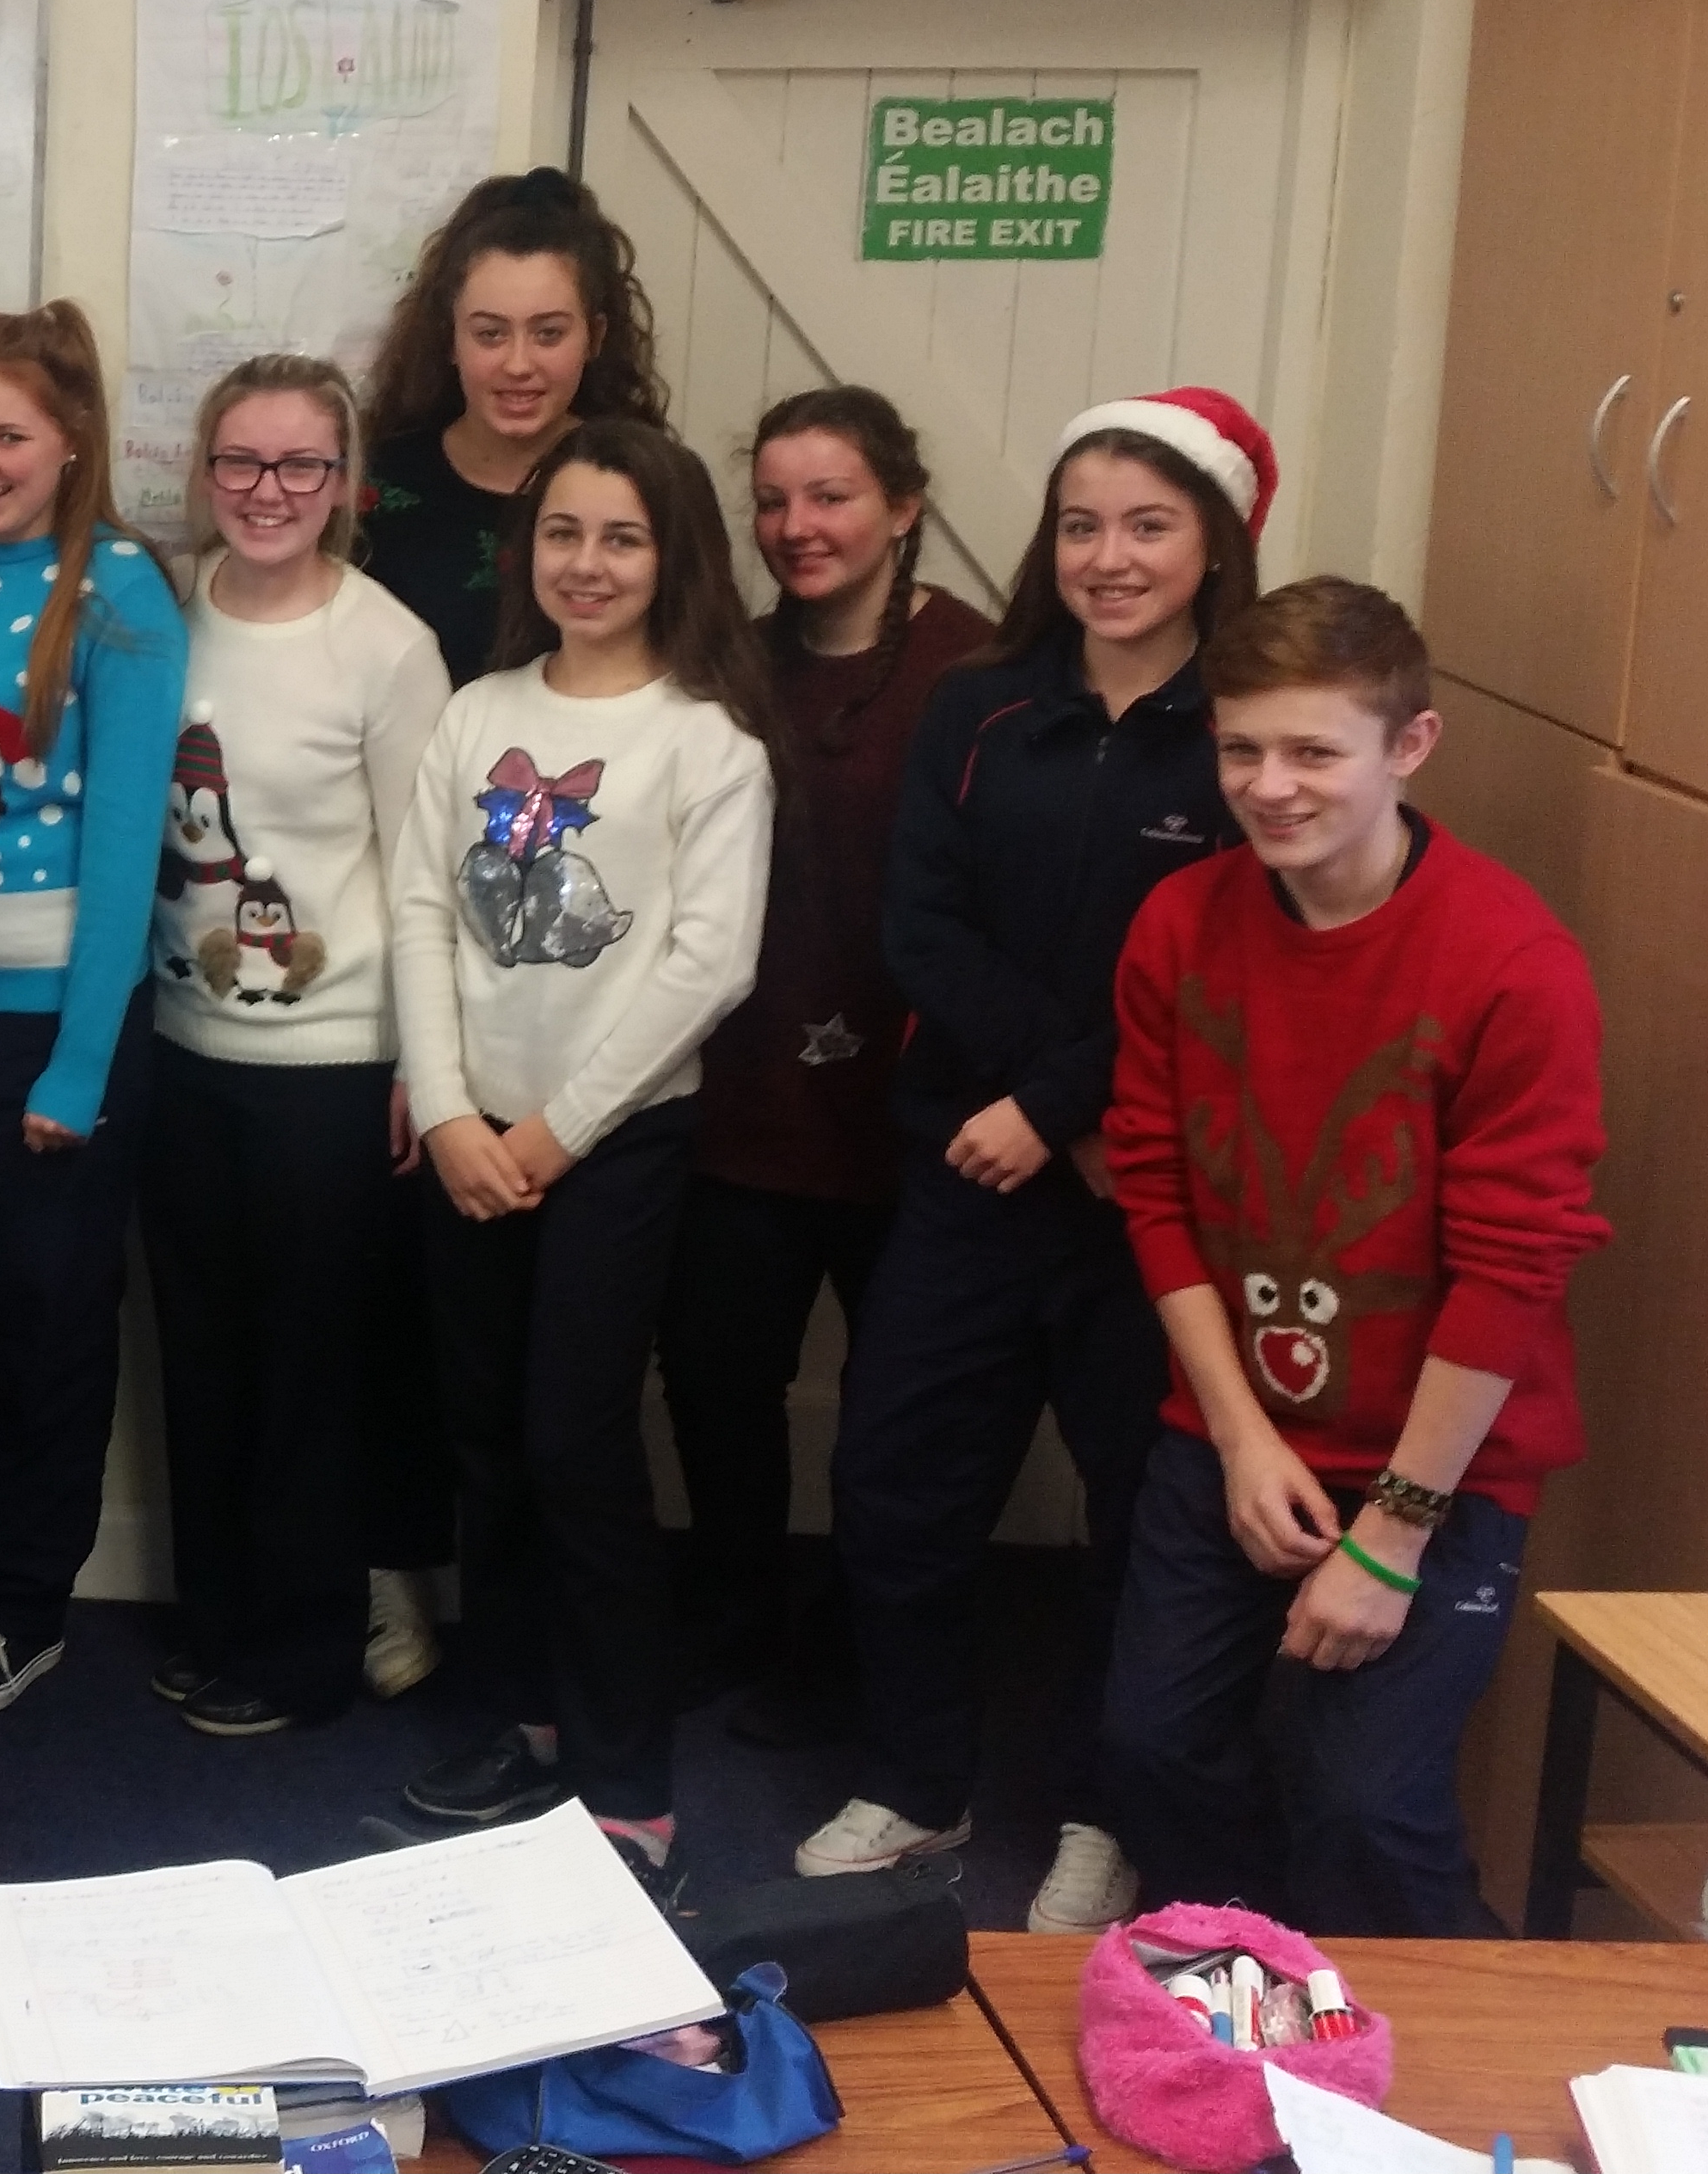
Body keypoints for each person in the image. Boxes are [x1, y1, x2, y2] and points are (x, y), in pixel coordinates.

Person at [802, 388, 1274, 1935]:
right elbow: (921, 927)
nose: (1108, 557)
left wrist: (1068, 1106)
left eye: (1148, 525)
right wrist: (1038, 1102)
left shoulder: (1246, 731)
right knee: (893, 1478)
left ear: (1215, 545)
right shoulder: (981, 705)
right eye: (1081, 525)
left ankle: (1102, 1816)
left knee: (1137, 1514)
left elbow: (1220, 969)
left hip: (1148, 1196)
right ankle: (917, 1779)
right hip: (975, 1163)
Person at [1100, 579, 1602, 1935]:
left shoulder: (1514, 961)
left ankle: (1458, 2034)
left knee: (1365, 1805)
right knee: (1151, 1751)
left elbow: (1513, 1269)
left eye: (1314, 751)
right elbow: (1155, 1191)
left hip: (1440, 1461)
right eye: (1241, 749)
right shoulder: (1179, 924)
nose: (1269, 787)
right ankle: (1253, 1995)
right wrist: (1237, 1438)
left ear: (1410, 745)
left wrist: (1392, 1537)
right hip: (1240, 1426)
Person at [385, 419, 772, 1891]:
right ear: (526, 550)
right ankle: (526, 1717)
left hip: (610, 1145)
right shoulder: (477, 710)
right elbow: (422, 910)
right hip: (470, 1135)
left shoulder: (706, 741)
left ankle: (625, 1788)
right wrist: (445, 1109)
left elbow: (708, 966)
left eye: (621, 537)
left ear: (672, 557)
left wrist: (551, 1133)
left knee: (575, 1446)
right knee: (485, 1440)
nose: (587, 563)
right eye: (562, 533)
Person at [0, 301, 188, 1721]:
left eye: (8, 434)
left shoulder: (119, 593)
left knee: (46, 1318)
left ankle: (20, 1602)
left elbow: (124, 852)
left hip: (49, 1027)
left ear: (71, 442)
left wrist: (77, 1064)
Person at [655, 388, 990, 1716]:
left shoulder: (980, 675)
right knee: (717, 1383)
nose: (799, 526)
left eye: (832, 496)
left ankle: (862, 1651)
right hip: (744, 1102)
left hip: (916, 1114)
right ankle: (738, 1622)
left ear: (903, 506)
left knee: (896, 1417)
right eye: (775, 501)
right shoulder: (727, 669)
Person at [134, 353, 451, 1738]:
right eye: (242, 462)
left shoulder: (387, 647)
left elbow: (428, 877)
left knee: (310, 1376)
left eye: (300, 465)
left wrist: (424, 1068)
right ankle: (220, 1627)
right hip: (180, 1047)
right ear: (205, 472)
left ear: (343, 484)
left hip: (332, 1068)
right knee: (202, 1358)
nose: (267, 491)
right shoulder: (163, 617)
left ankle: (306, 1654)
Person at [353, 169, 671, 684]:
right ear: (450, 339)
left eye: (548, 334)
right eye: (490, 334)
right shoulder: (373, 486)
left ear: (594, 338)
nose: (518, 364)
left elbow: (697, 659)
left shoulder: (649, 485)